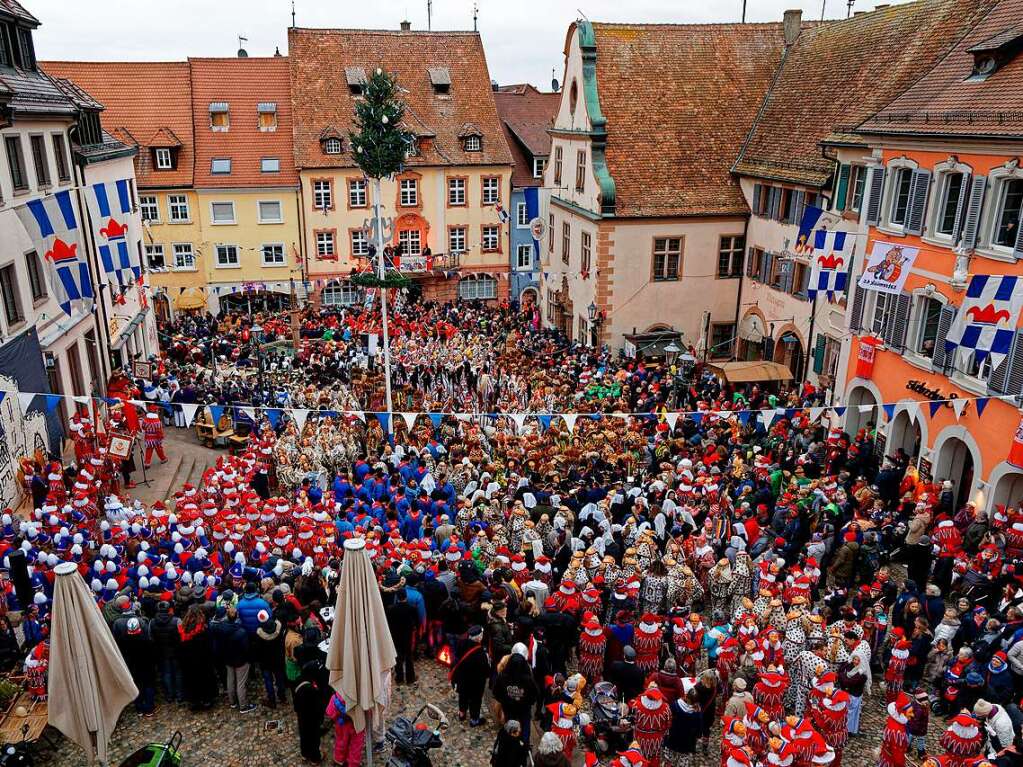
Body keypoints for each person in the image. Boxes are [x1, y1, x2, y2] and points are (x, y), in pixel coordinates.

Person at [113, 614, 157, 717]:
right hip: (146, 667)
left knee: (137, 687)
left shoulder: (124, 641)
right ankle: (149, 708)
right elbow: (153, 654)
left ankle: (139, 709)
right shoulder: (147, 640)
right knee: (148, 686)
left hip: (133, 668)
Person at [493, 652, 540, 742]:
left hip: (509, 708)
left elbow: (496, 692)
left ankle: (509, 742)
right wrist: (528, 702)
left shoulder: (503, 677)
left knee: (509, 725)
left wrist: (505, 700)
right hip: (524, 708)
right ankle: (524, 744)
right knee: (525, 725)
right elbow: (535, 693)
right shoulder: (528, 679)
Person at [450, 624, 490, 726]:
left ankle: (462, 714)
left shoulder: (462, 644)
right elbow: (486, 671)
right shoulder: (481, 653)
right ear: (479, 637)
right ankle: (474, 720)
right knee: (475, 701)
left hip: (462, 680)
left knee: (463, 697)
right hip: (476, 684)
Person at [385, 587, 419, 685]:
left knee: (398, 656)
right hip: (407, 635)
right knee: (408, 656)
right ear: (406, 596)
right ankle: (410, 677)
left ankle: (399, 678)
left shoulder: (391, 609)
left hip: (395, 635)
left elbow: (388, 623)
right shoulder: (412, 608)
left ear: (397, 597)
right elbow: (416, 622)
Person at [663, 688, 703, 767]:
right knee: (682, 760)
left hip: (673, 737)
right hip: (687, 742)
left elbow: (668, 717)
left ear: (686, 696)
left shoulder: (675, 705)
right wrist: (698, 735)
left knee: (669, 758)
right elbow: (699, 728)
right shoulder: (697, 713)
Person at [293, 661, 324, 764]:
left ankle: (304, 754)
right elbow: (318, 707)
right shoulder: (311, 689)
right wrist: (320, 719)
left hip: (301, 717)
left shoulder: (298, 681)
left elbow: (295, 703)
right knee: (314, 738)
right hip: (312, 719)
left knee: (304, 736)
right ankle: (315, 758)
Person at [326, 689, 363, 767]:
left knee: (341, 741)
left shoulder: (339, 692)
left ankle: (339, 760)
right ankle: (353, 764)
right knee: (356, 746)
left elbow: (330, 711)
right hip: (358, 722)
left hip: (342, 723)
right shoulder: (364, 695)